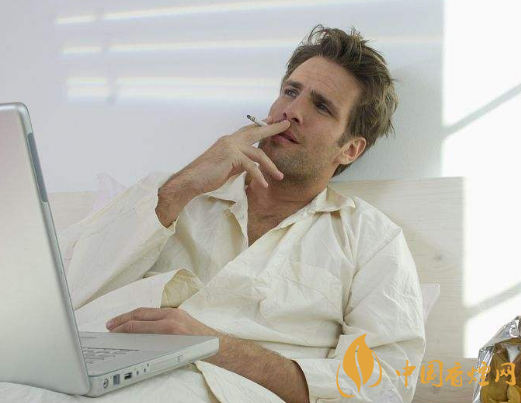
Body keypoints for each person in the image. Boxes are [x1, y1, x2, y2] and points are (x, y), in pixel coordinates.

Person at [63, 25, 426, 403]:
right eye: (291, 91)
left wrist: (213, 346)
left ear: (350, 149)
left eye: (321, 106)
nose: (292, 111)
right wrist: (183, 185)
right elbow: (62, 290)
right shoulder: (171, 192)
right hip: (92, 377)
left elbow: (384, 384)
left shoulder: (371, 239)